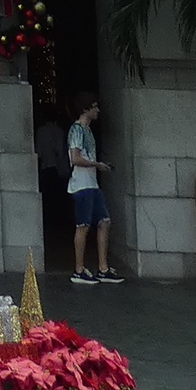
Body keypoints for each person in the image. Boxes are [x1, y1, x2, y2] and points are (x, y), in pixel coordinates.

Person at [67, 94, 122, 284]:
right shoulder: (77, 130)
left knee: (104, 221)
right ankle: (79, 269)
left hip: (91, 183)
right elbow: (75, 158)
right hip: (82, 184)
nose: (97, 110)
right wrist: (97, 165)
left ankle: (102, 267)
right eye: (94, 106)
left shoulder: (87, 130)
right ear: (85, 109)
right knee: (83, 225)